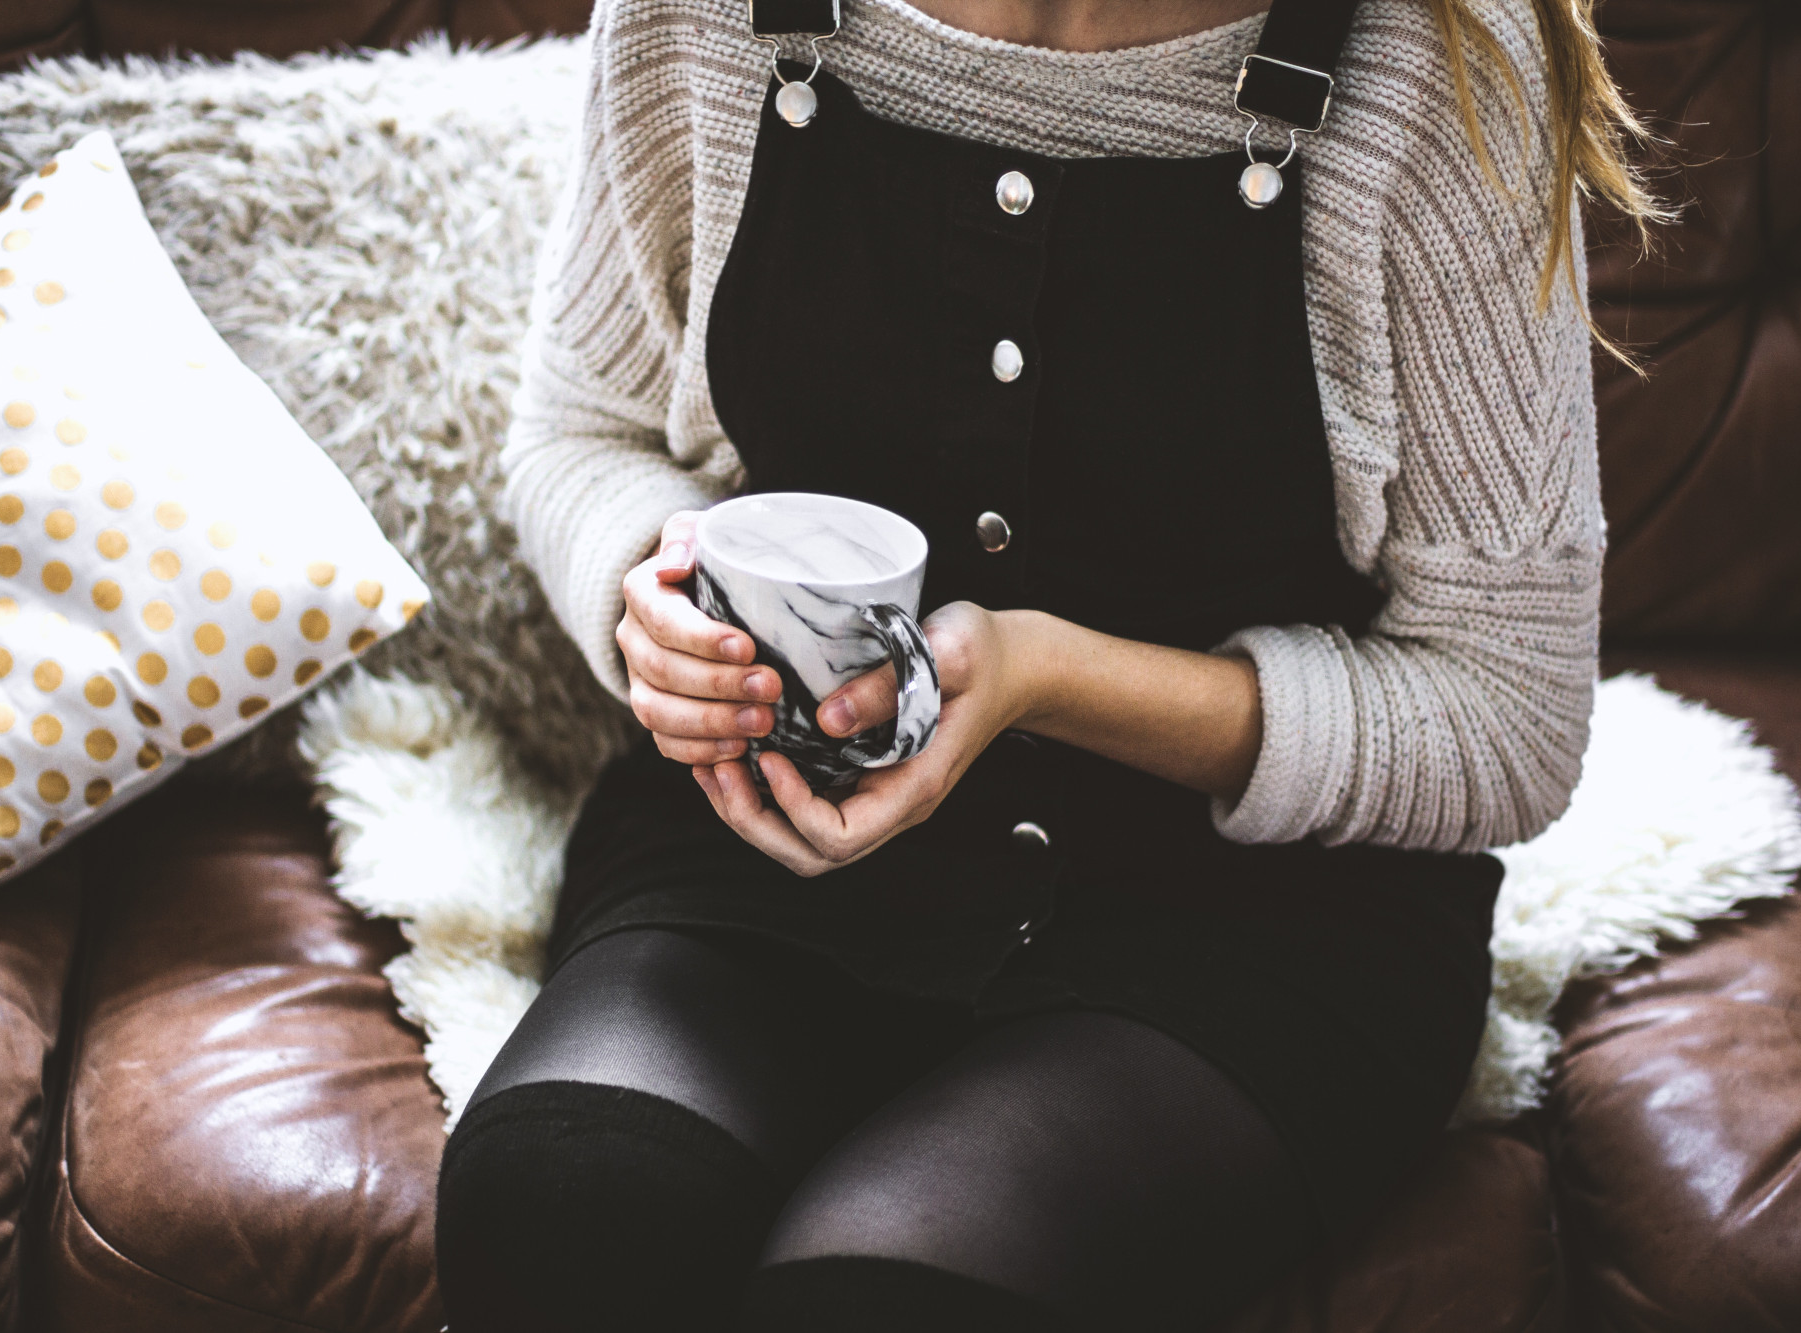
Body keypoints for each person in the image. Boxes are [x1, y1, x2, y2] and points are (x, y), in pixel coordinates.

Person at [436, 0, 1661, 1326]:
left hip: (1247, 926)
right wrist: (652, 601)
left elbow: (1512, 714)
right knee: (559, 1199)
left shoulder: (1438, 63)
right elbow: (581, 431)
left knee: (890, 1297)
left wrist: (1041, 674)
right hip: (777, 846)